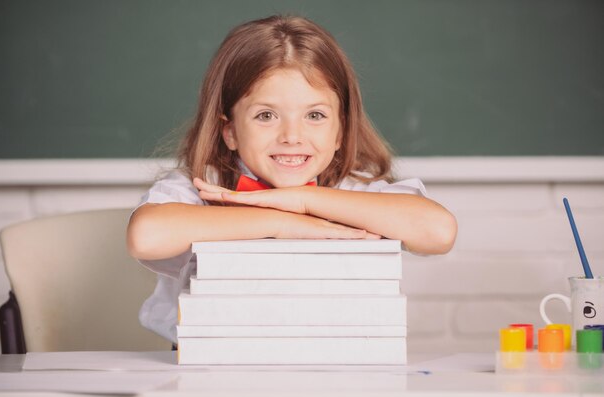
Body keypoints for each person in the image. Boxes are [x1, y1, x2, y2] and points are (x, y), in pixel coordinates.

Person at [127, 15, 457, 342]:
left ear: (340, 129)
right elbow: (146, 236)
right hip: (210, 362)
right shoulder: (203, 186)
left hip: (333, 360)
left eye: (315, 115)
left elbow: (437, 231)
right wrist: (281, 223)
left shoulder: (351, 189)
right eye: (266, 115)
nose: (292, 136)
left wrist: (303, 200)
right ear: (229, 131)